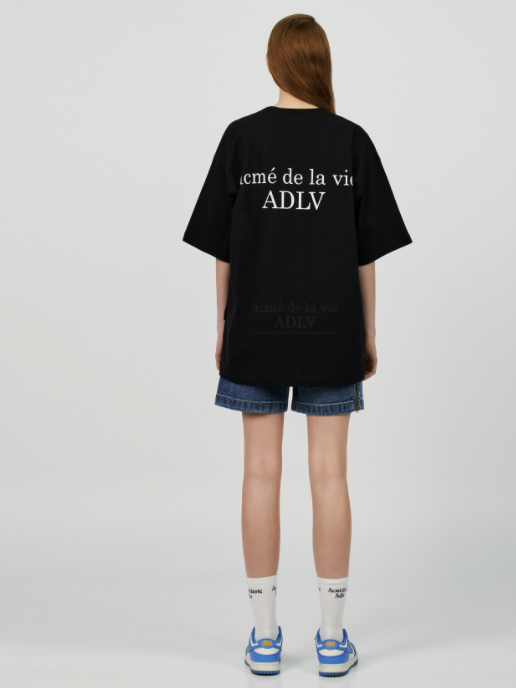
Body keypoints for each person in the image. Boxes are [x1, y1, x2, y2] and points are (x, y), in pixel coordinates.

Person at [183, 13, 412, 677]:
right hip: (332, 328)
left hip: (254, 328)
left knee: (259, 473)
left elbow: (223, 253)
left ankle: (263, 639)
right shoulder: (350, 141)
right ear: (320, 62)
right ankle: (333, 642)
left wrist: (223, 326)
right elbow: (366, 256)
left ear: (273, 62)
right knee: (329, 475)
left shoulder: (242, 138)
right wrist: (367, 332)